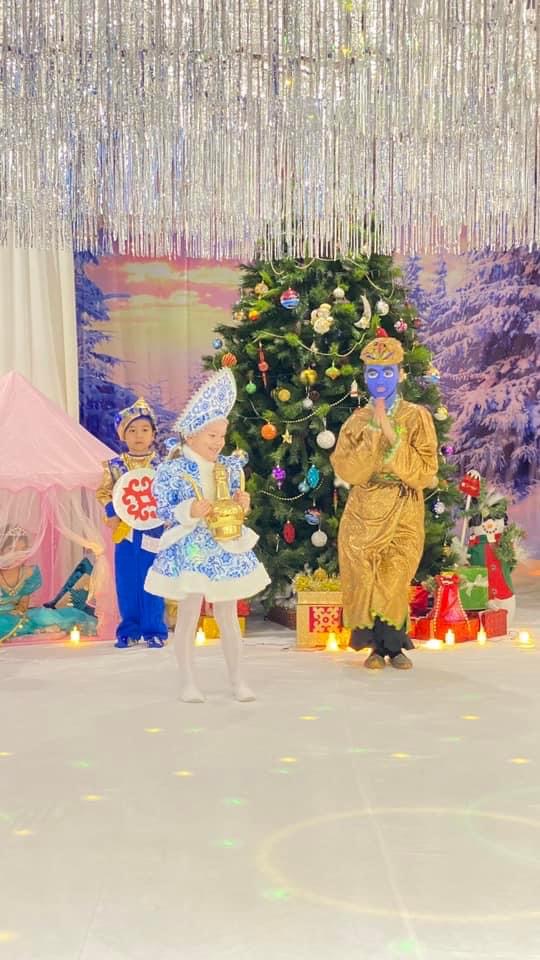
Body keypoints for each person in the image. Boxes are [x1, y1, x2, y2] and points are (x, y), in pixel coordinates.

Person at [145, 369, 270, 702]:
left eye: (222, 436)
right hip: (191, 549)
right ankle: (188, 681)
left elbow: (230, 504)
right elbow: (163, 509)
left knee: (228, 614)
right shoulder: (172, 470)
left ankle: (238, 680)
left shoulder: (229, 466)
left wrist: (241, 505)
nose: (218, 442)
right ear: (191, 436)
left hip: (224, 546)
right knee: (188, 614)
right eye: (212, 435)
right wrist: (189, 509)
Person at [331, 337, 438, 670]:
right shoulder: (356, 421)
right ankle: (375, 648)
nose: (381, 380)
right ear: (365, 376)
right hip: (363, 510)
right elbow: (347, 469)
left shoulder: (417, 417)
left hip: (404, 508)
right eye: (373, 373)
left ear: (400, 374)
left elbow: (426, 471)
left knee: (394, 576)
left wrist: (392, 436)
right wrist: (373, 434)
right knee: (365, 576)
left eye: (388, 372)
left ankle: (395, 646)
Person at [96, 398, 168, 649]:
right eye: (132, 430)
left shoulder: (162, 465)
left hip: (154, 529)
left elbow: (169, 493)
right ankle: (129, 630)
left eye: (145, 429)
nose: (139, 435)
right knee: (127, 581)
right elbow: (105, 492)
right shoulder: (114, 466)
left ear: (153, 434)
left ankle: (154, 630)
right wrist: (112, 512)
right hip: (126, 530)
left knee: (153, 579)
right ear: (123, 435)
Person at [0, 526, 96, 641]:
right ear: (1, 550)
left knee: (48, 616)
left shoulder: (28, 573)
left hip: (17, 615)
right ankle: (38, 631)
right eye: (11, 549)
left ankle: (38, 629)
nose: (17, 554)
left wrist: (19, 611)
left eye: (23, 549)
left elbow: (23, 604)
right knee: (5, 623)